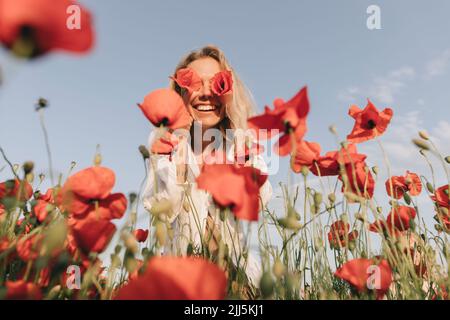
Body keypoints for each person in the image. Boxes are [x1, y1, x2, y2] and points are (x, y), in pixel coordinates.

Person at [142, 45, 272, 289]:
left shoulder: (241, 144)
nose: (205, 94)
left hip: (237, 279)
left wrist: (239, 124)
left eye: (217, 84)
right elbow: (163, 210)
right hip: (181, 280)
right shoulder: (164, 143)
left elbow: (259, 198)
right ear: (180, 93)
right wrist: (178, 155)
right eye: (193, 84)